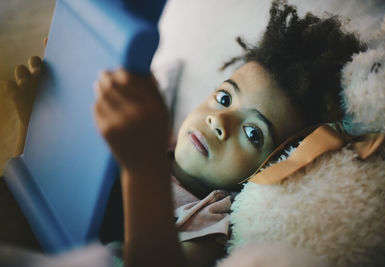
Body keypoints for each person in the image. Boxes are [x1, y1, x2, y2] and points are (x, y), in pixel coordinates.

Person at [6, 0, 365, 266]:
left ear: (271, 165)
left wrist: (141, 167)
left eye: (254, 134)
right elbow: (53, 201)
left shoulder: (210, 216)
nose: (219, 122)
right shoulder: (152, 141)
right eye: (224, 98)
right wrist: (38, 122)